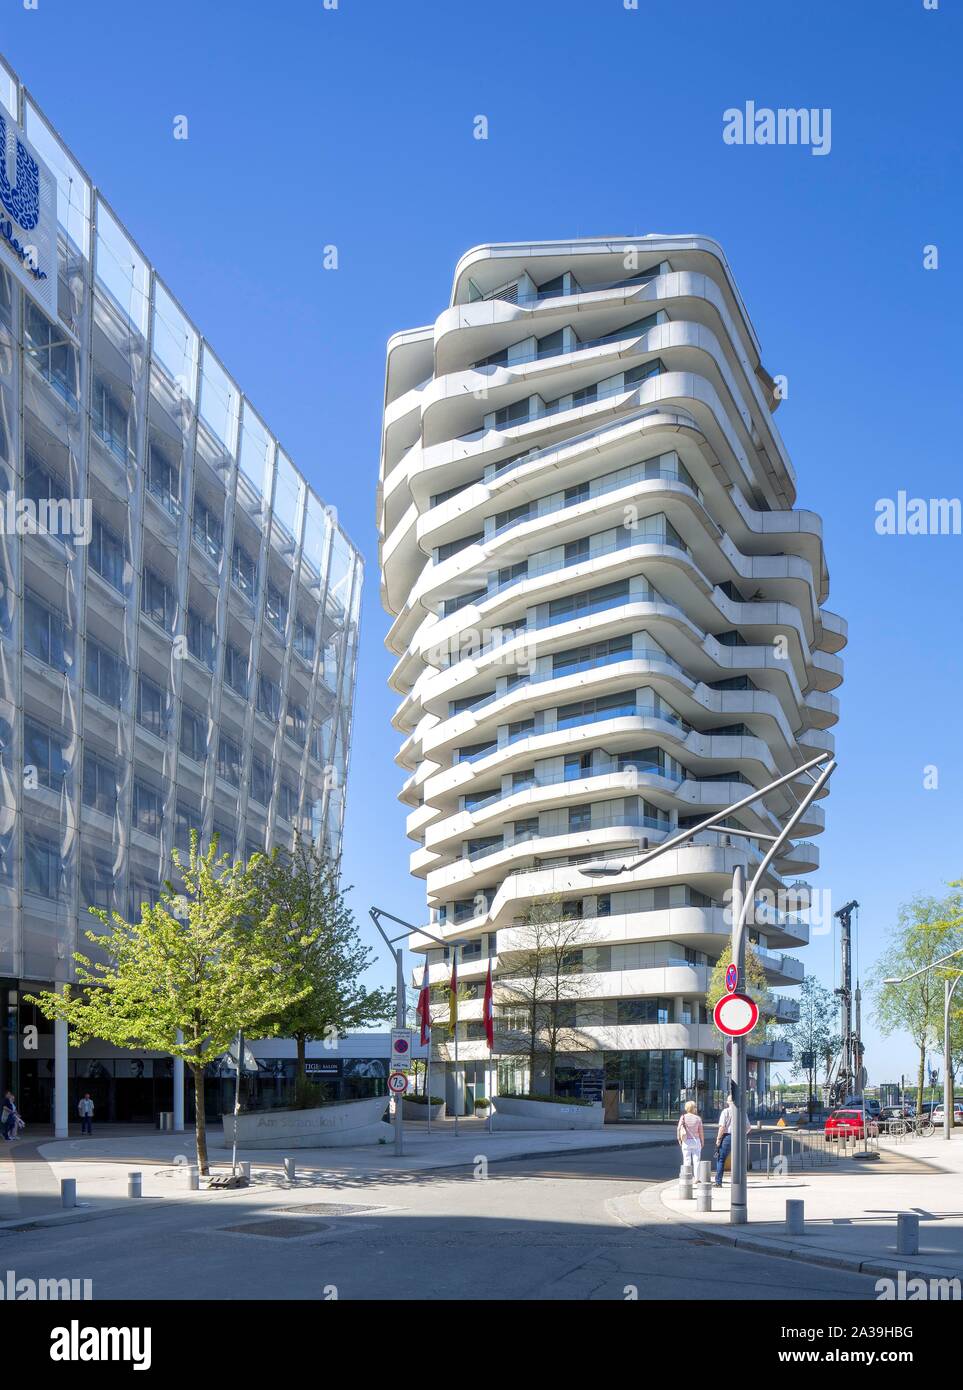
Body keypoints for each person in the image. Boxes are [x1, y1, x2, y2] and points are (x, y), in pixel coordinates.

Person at [676, 1100, 704, 1179]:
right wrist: (702, 1141)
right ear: (694, 1108)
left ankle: (687, 1177)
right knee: (697, 1160)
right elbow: (701, 1131)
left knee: (686, 1159)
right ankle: (697, 1178)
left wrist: (679, 1139)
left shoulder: (683, 1117)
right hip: (696, 1141)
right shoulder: (698, 1118)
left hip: (686, 1140)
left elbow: (678, 1128)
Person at [714, 1095, 736, 1186]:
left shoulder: (726, 1112)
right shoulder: (742, 1112)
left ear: (728, 1102)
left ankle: (718, 1182)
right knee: (738, 1159)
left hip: (727, 1136)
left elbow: (722, 1127)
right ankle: (739, 1181)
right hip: (739, 1137)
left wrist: (718, 1139)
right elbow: (748, 1127)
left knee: (721, 1159)